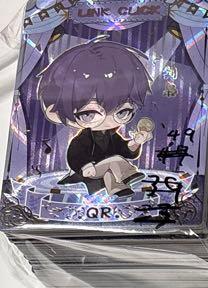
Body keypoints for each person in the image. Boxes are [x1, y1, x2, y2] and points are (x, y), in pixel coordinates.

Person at [37, 40, 153, 198]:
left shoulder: (111, 135)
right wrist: (85, 166)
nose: (106, 120)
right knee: (114, 161)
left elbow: (125, 150)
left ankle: (116, 189)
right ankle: (128, 174)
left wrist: (136, 142)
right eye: (88, 114)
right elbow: (75, 155)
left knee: (110, 172)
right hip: (88, 171)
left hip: (103, 170)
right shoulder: (83, 138)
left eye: (122, 112)